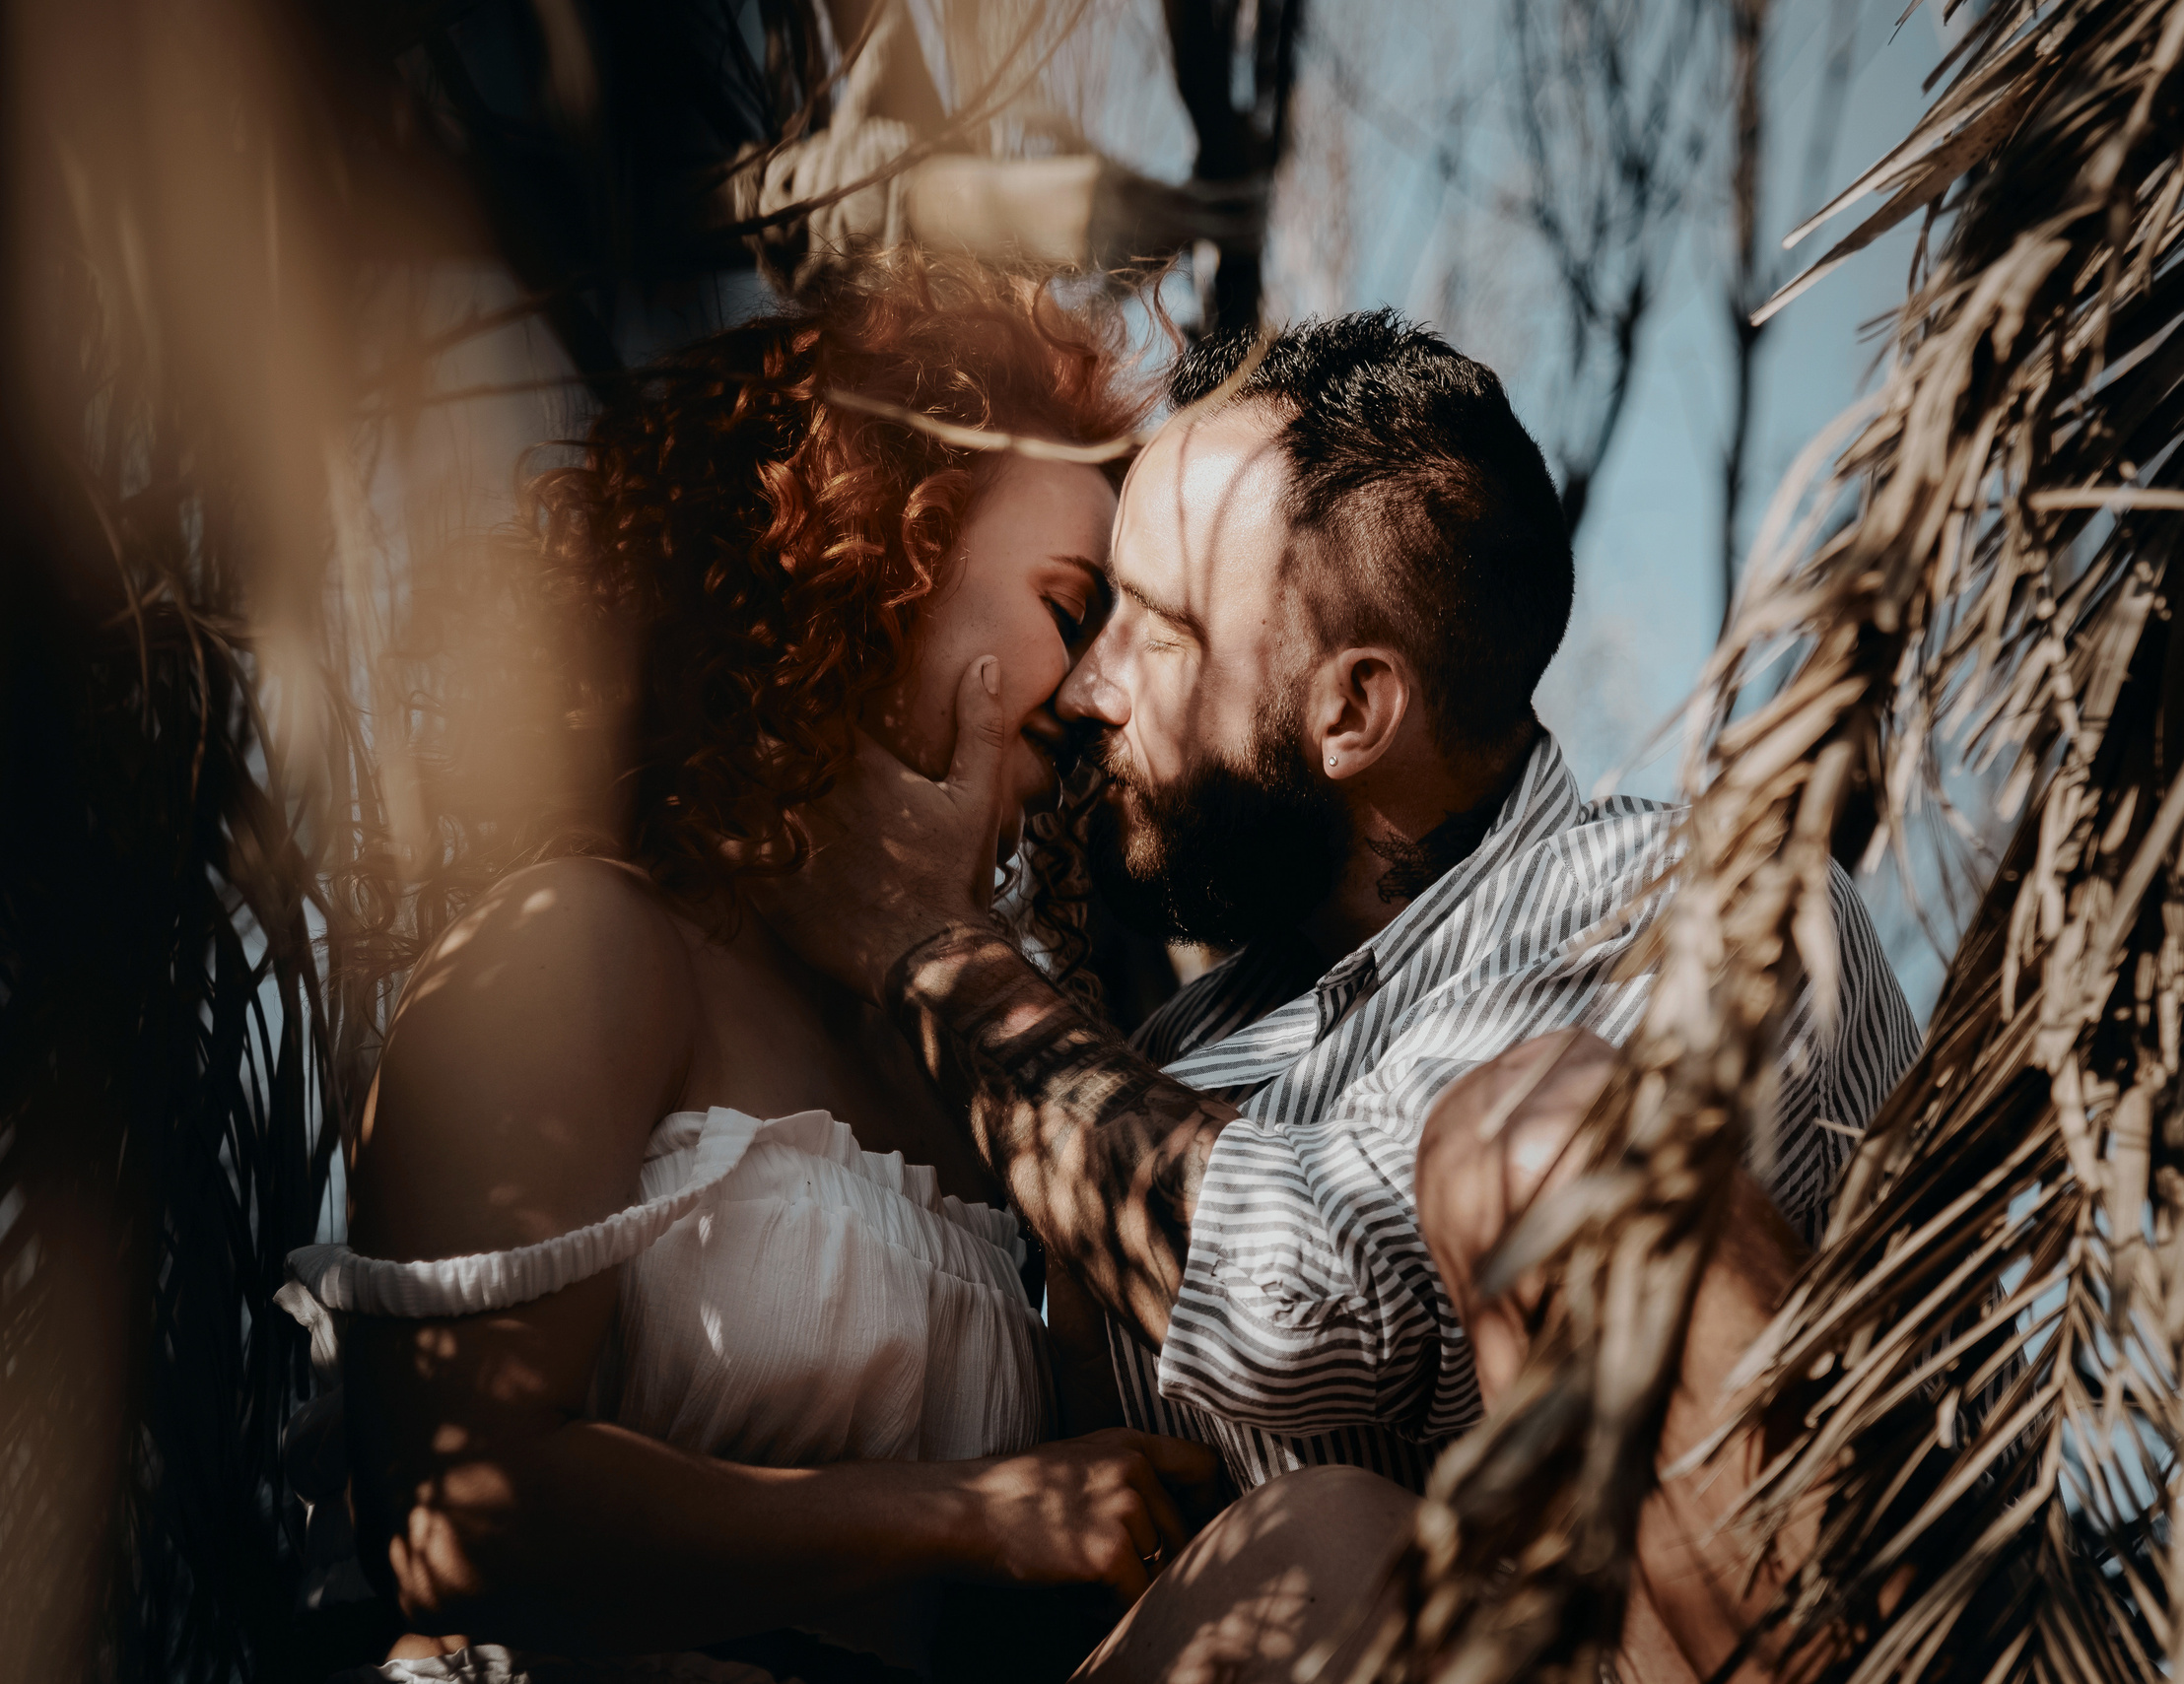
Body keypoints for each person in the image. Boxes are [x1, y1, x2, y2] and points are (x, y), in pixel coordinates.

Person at [276, 250, 1404, 1684]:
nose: (1094, 689)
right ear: (879, 559)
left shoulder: (968, 1049)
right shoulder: (584, 949)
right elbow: (446, 1519)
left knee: (1339, 1540)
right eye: (1071, 607)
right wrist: (965, 1513)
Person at [763, 312, 1925, 1676]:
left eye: (1161, 632)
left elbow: (1302, 1302)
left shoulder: (1696, 911)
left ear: (1354, 711)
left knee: (1529, 1167)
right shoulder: (1176, 1049)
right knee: (1314, 1547)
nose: (1090, 684)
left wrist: (932, 947)